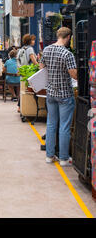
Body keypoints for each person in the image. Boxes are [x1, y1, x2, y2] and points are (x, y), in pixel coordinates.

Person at [39, 27, 77, 167]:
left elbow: (41, 67)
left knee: (51, 124)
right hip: (65, 94)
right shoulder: (67, 54)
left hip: (51, 93)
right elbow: (73, 74)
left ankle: (49, 156)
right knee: (64, 127)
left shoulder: (47, 50)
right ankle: (64, 158)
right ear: (68, 37)